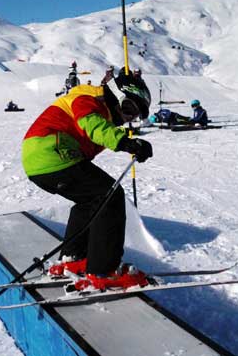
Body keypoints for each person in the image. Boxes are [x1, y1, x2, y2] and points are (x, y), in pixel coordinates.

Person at [22, 73, 153, 291]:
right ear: (116, 95)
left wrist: (128, 142)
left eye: (135, 115)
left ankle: (73, 257)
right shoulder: (88, 98)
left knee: (90, 201)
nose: (128, 117)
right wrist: (126, 143)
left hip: (40, 160)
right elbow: (91, 125)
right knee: (109, 196)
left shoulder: (100, 108)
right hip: (52, 151)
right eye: (128, 108)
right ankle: (104, 271)